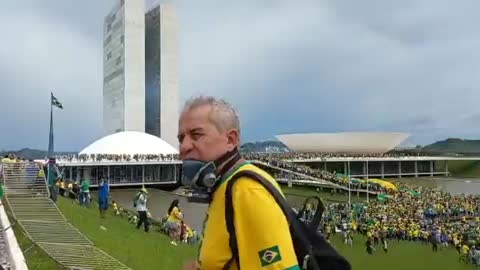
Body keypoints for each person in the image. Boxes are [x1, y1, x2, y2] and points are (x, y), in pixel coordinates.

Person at [179, 96, 299, 270]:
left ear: (231, 140)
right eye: (181, 138)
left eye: (196, 135)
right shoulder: (225, 187)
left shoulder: (248, 190)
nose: (184, 146)